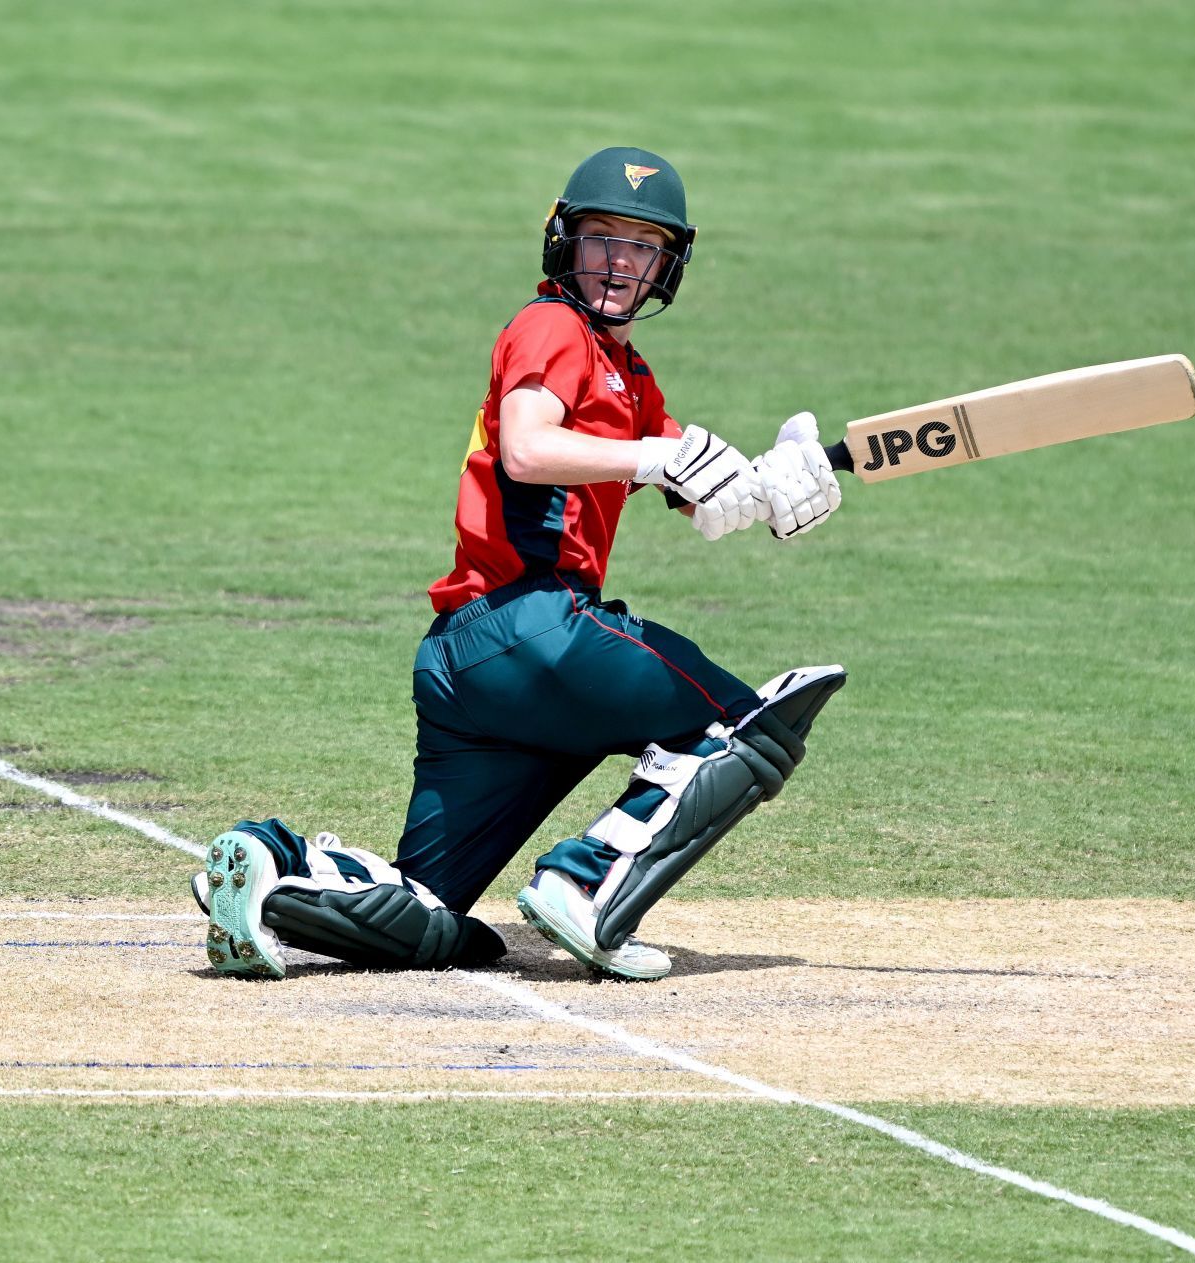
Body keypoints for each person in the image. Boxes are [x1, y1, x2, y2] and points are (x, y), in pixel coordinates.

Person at [192, 147, 846, 981]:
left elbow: (703, 497)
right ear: (562, 243)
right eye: (602, 237)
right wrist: (655, 457)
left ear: (668, 264)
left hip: (470, 663)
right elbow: (532, 449)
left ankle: (268, 870)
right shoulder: (552, 327)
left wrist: (780, 483)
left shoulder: (629, 374)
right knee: (746, 726)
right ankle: (589, 886)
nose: (619, 261)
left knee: (428, 915)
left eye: (643, 245)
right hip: (534, 627)